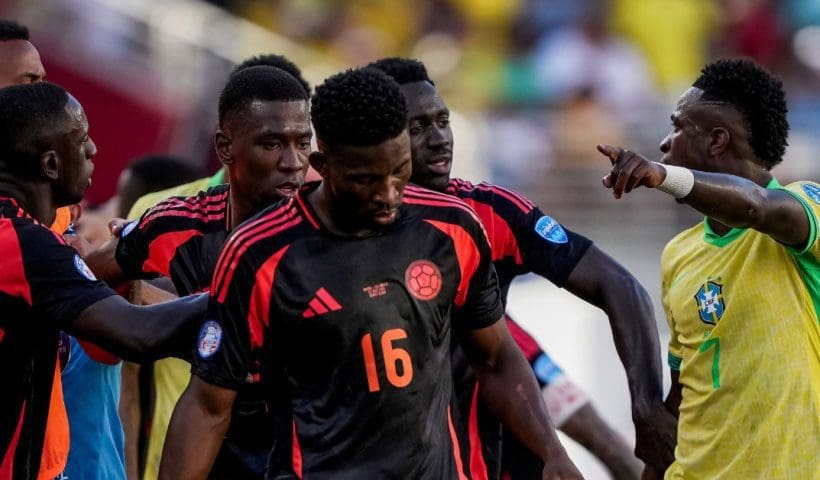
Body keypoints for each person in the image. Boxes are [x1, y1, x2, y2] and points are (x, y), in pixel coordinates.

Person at [160, 66, 582, 480]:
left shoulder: (452, 228)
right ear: (322, 164)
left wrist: (551, 451)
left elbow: (497, 357)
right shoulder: (259, 253)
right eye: (365, 180)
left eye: (398, 172)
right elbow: (208, 406)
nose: (388, 196)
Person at [369, 57, 673, 479]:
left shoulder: (490, 215)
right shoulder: (328, 235)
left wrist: (645, 407)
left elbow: (617, 284)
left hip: (485, 444)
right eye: (417, 128)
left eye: (443, 120)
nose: (439, 139)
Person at [596, 58, 820, 479]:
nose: (664, 142)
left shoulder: (804, 205)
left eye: (678, 127)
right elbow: (683, 394)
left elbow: (756, 205)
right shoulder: (679, 253)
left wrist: (664, 176)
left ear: (717, 140)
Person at [85, 65, 312, 479]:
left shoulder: (333, 233)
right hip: (209, 448)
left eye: (303, 143)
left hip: (314, 455)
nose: (293, 162)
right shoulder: (174, 225)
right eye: (273, 144)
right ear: (225, 147)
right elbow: (82, 277)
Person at [0, 82, 207, 480]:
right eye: (81, 140)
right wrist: (239, 292)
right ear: (50, 165)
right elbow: (134, 332)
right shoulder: (24, 246)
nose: (93, 150)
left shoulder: (31, 237)